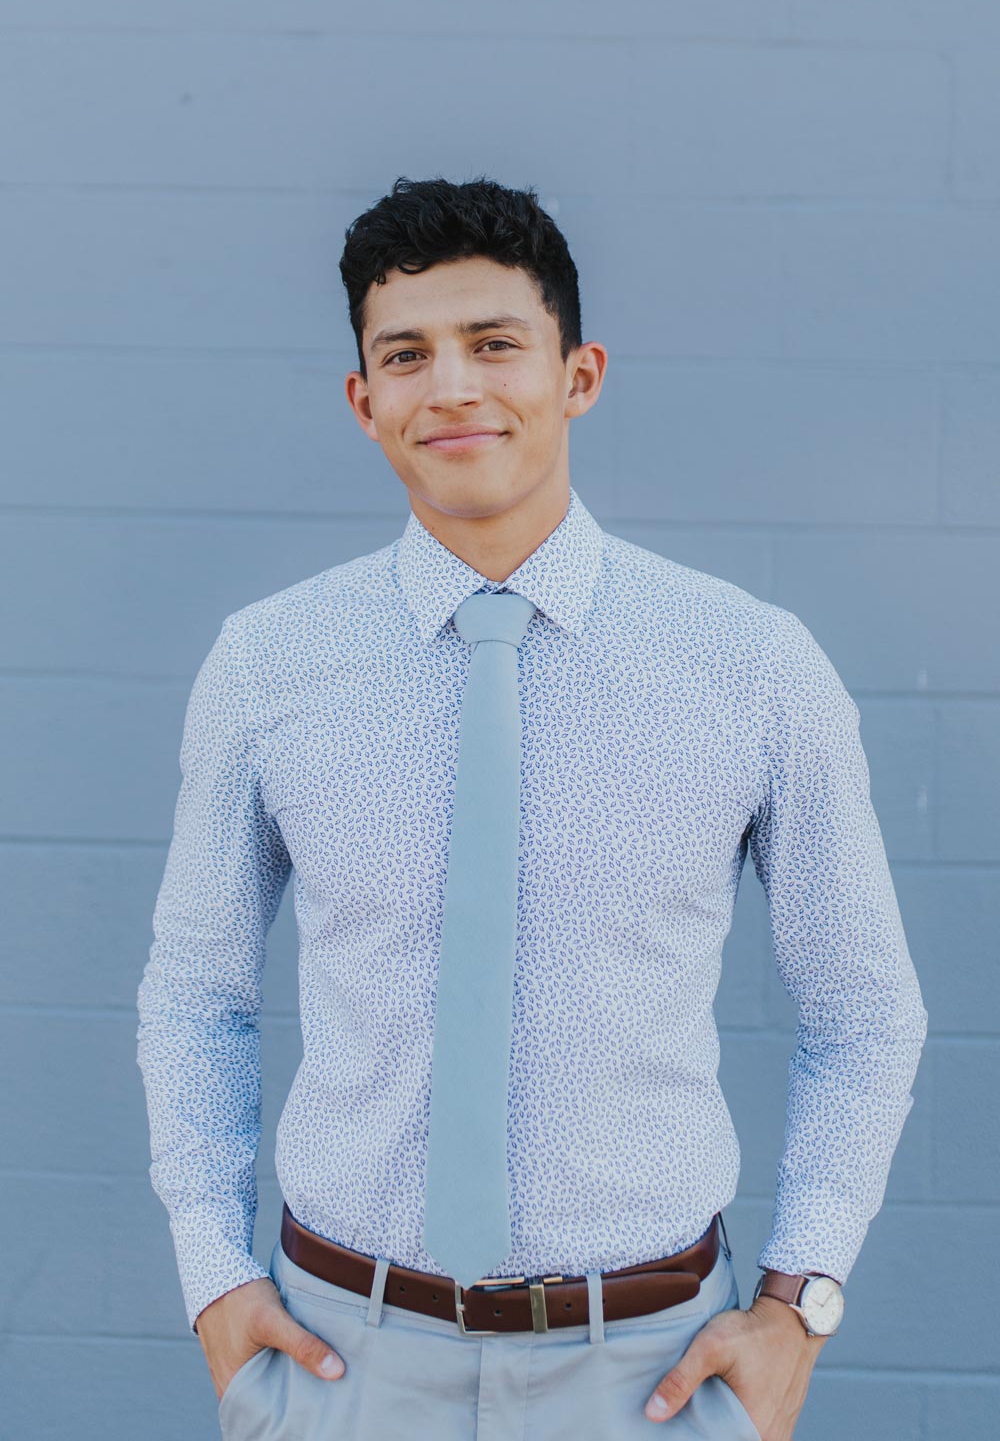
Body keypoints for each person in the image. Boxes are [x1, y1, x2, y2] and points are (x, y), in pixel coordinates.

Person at [136, 174, 928, 1440]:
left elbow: (866, 1005)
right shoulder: (266, 666)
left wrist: (800, 1300)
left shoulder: (753, 667)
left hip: (653, 1371)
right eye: (406, 355)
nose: (451, 385)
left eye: (494, 344)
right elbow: (194, 993)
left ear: (579, 375)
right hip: (343, 1360)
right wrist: (212, 1278)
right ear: (363, 401)